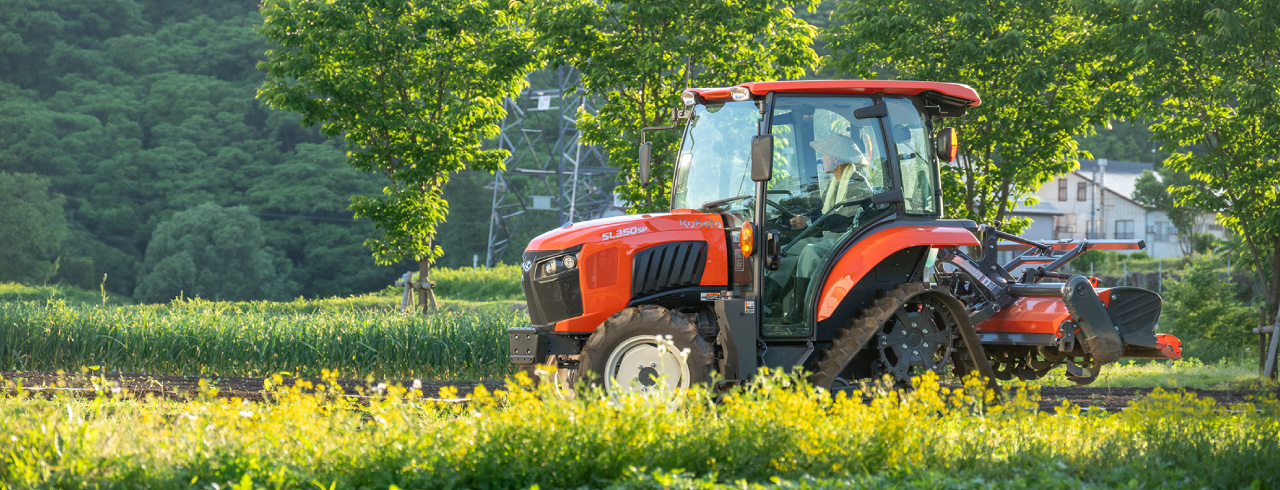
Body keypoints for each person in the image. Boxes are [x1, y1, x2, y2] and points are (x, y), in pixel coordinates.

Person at [770, 133, 876, 324]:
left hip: (847, 238)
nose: (822, 159)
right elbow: (821, 211)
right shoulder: (834, 183)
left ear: (835, 158)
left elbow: (842, 220)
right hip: (828, 235)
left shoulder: (856, 185)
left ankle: (800, 311)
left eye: (825, 155)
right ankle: (768, 304)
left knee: (810, 252)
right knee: (783, 250)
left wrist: (810, 222)